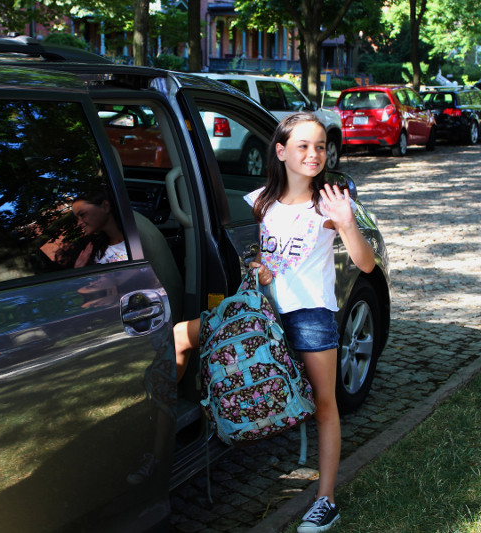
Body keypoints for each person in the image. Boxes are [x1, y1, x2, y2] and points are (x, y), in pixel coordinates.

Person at [174, 112, 375, 533]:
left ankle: (326, 500)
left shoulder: (331, 202)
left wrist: (347, 222)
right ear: (281, 151)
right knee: (181, 336)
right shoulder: (262, 199)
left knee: (324, 407)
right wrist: (259, 265)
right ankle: (162, 442)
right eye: (302, 145)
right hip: (262, 314)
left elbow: (365, 263)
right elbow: (269, 258)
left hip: (311, 316)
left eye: (319, 146)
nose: (313, 154)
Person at [70, 191, 128, 266]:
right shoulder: (95, 252)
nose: (79, 223)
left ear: (105, 207)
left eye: (82, 214)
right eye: (77, 218)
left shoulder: (137, 235)